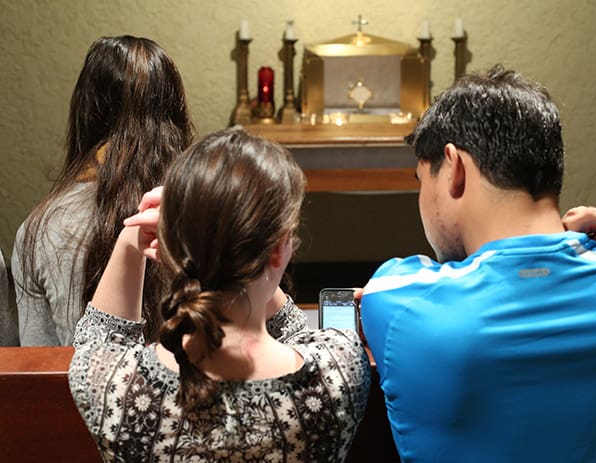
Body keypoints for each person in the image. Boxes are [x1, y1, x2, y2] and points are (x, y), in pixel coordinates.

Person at [360, 65, 596, 462]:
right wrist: (574, 237)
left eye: (421, 180)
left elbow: (397, 289)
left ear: (454, 168)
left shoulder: (396, 298)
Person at [69, 128, 371, 462]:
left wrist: (130, 240)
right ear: (277, 250)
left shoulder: (115, 388)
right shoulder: (338, 374)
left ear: (174, 244)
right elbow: (298, 336)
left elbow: (98, 340)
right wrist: (246, 257)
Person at [10, 35, 194, 345]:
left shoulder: (40, 229)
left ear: (86, 114)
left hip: (79, 393)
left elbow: (37, 366)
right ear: (175, 117)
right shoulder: (206, 215)